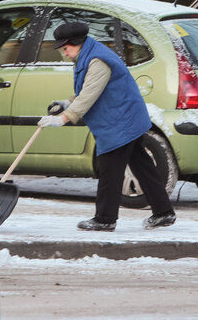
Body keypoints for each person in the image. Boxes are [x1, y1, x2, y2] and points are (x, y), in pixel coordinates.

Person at [37, 22, 176, 231]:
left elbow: (90, 94)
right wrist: (67, 102)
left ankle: (105, 219)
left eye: (65, 48)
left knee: (109, 168)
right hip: (126, 118)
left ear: (76, 43)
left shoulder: (97, 60)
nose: (64, 54)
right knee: (141, 165)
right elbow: (86, 89)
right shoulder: (89, 54)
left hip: (120, 121)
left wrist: (64, 117)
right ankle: (164, 212)